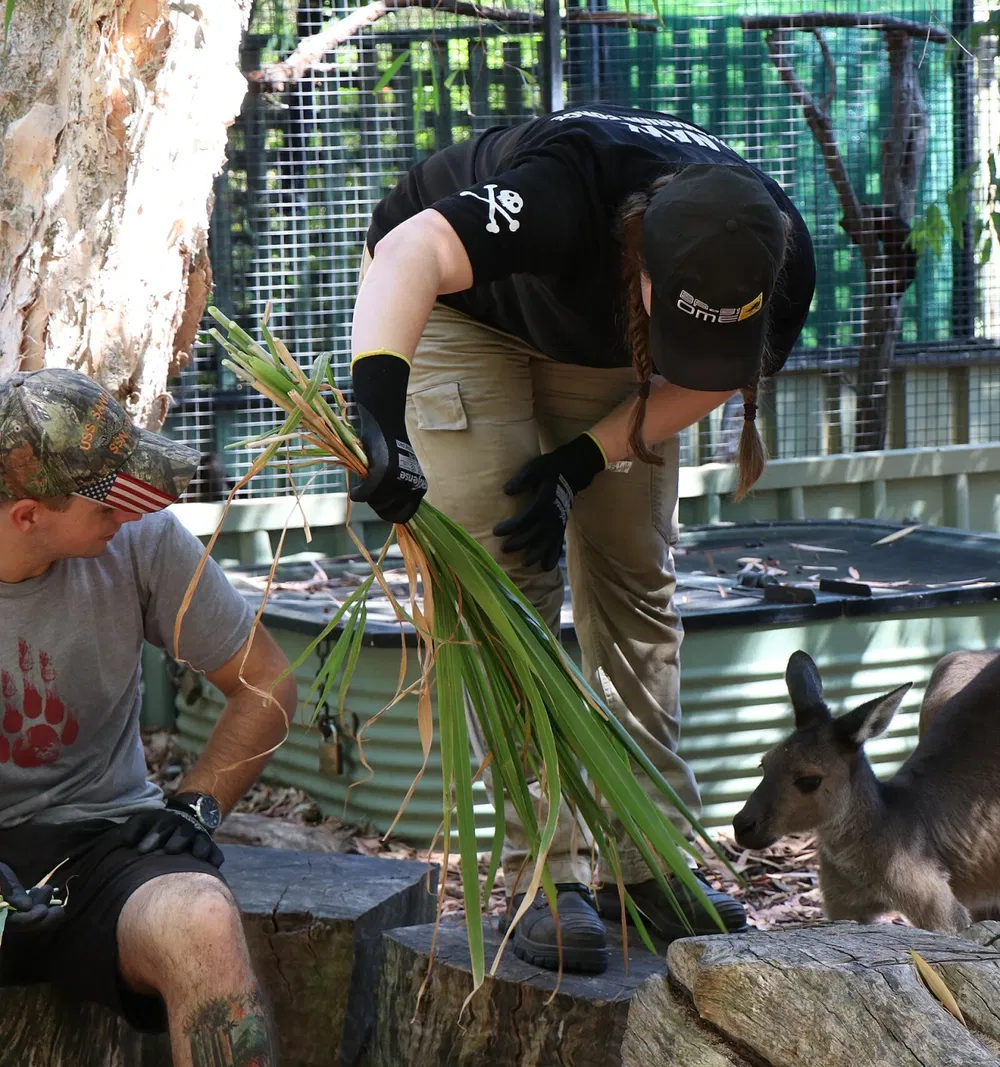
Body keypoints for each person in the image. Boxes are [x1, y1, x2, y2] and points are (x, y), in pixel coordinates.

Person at [349, 103, 817, 973]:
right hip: (458, 308)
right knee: (511, 583)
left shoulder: (778, 252)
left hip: (612, 345)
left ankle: (645, 861)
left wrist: (583, 458)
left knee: (636, 574)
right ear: (641, 261)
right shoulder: (561, 197)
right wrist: (376, 414)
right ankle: (546, 874)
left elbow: (715, 376)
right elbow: (411, 253)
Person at [0, 368, 297, 1067]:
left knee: (203, 919)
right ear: (26, 515)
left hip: (103, 841)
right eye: (108, 502)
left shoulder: (144, 541)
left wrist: (195, 808)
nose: (132, 512)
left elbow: (267, 684)